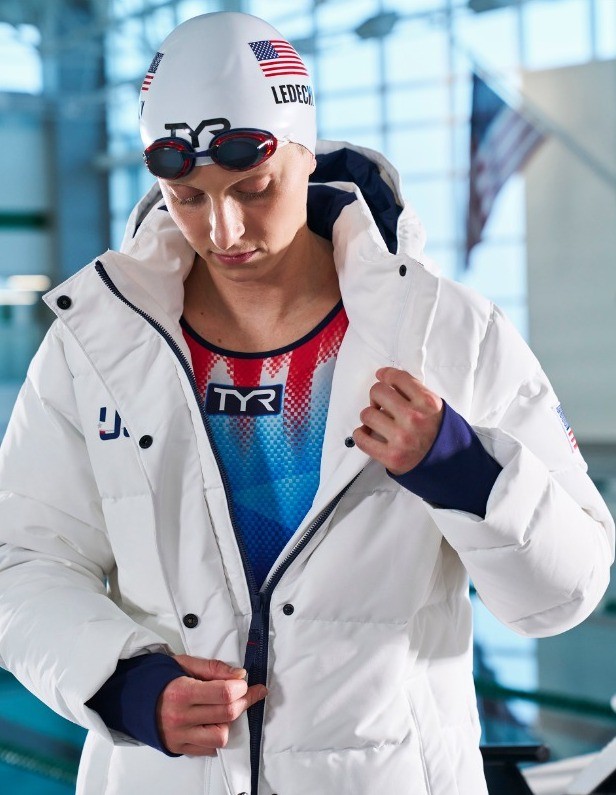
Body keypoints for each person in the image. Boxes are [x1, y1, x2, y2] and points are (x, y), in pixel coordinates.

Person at [0, 11, 613, 795]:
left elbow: (569, 590)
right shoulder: (95, 348)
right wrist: (119, 682)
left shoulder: (448, 334)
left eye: (253, 188)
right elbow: (21, 561)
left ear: (306, 150)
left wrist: (461, 465)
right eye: (187, 197)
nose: (223, 229)